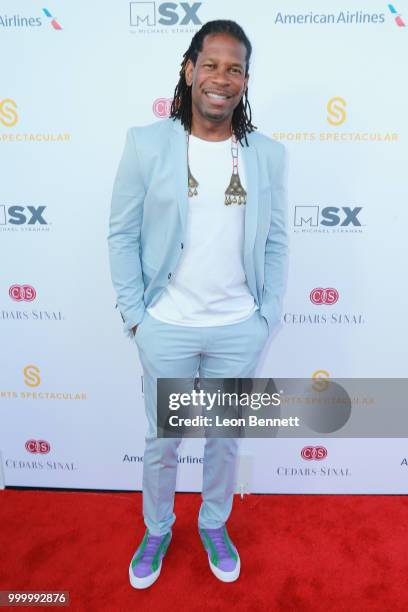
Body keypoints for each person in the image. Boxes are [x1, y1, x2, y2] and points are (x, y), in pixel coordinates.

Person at [108, 19, 289, 589]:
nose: (221, 78)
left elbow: (277, 238)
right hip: (167, 325)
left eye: (234, 68)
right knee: (163, 440)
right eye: (210, 64)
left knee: (224, 437)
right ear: (189, 71)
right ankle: (157, 528)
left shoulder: (266, 154)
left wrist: (267, 317)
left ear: (246, 80)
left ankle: (214, 523)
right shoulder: (146, 143)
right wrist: (136, 316)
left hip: (239, 327)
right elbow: (121, 234)